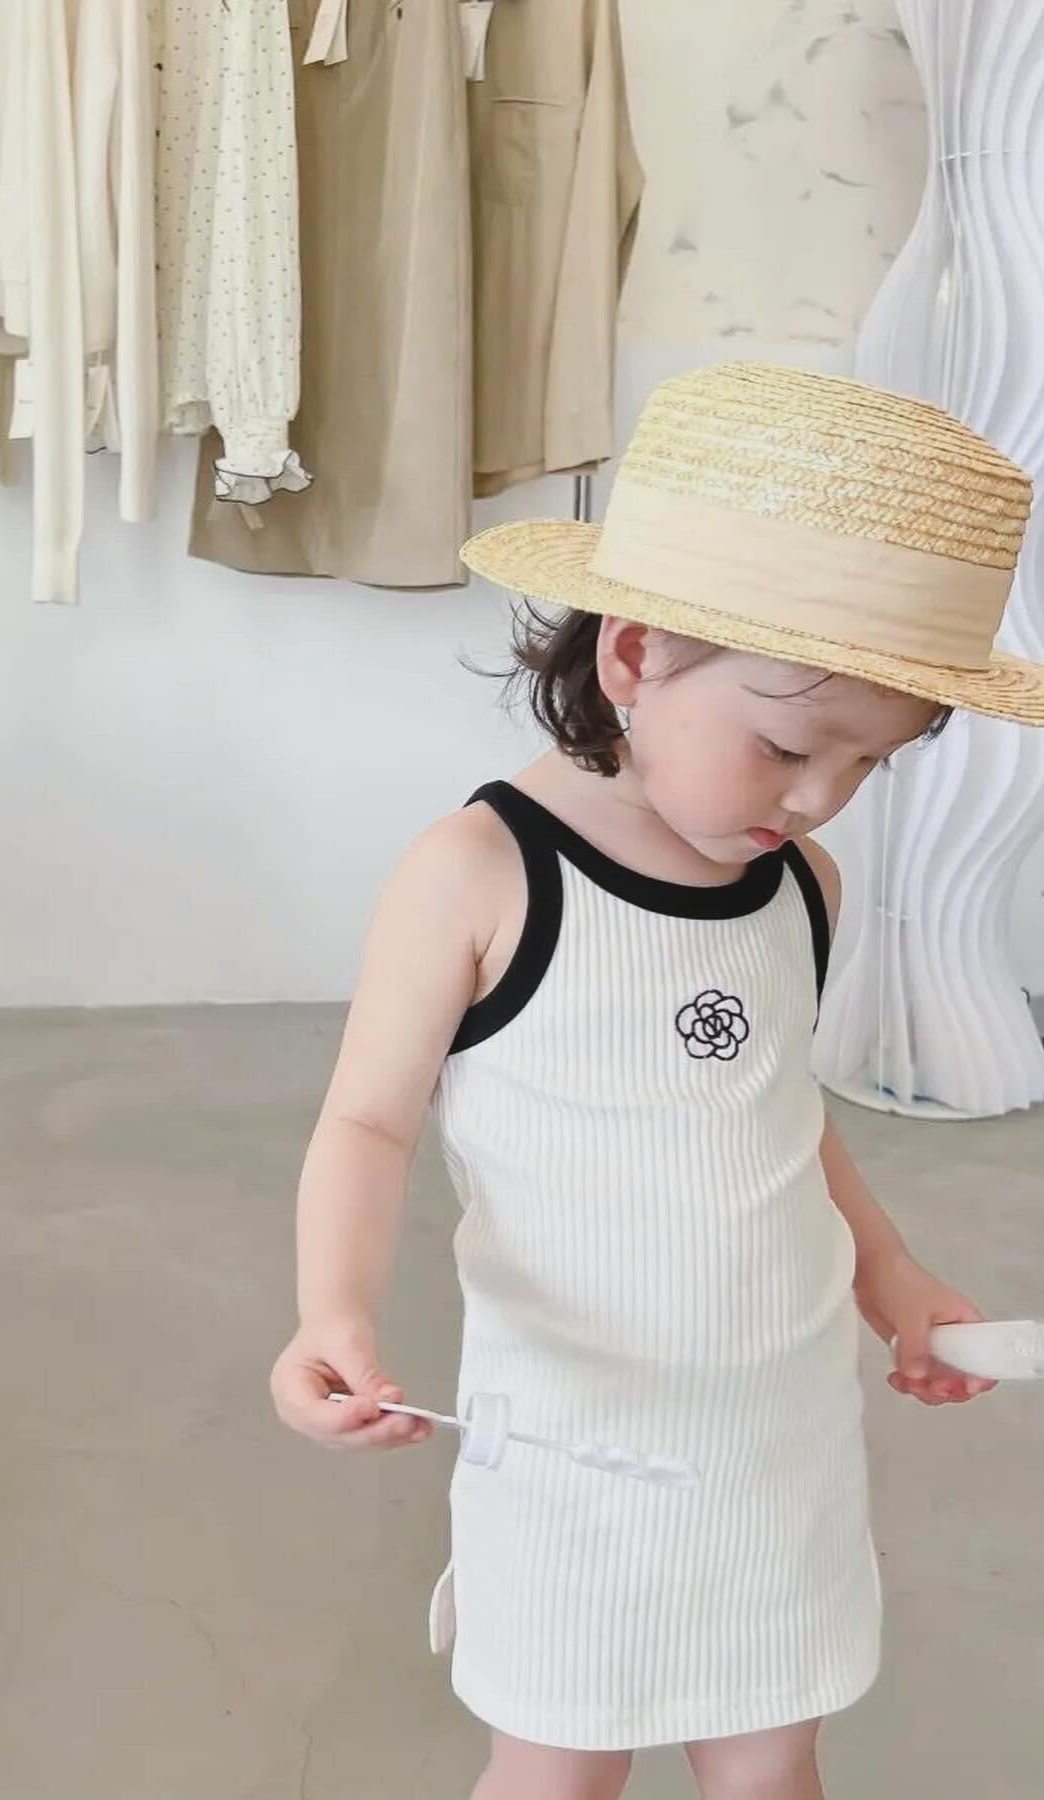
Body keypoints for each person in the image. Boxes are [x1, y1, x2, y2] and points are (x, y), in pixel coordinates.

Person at [270, 362, 1044, 1799]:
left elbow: (776, 1122)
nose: (818, 798)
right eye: (788, 746)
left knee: (770, 1756)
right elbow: (369, 1123)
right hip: (576, 1439)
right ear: (633, 657)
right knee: (561, 1762)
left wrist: (894, 1279)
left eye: (868, 764)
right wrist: (334, 1311)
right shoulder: (480, 873)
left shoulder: (799, 884)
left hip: (777, 1432)